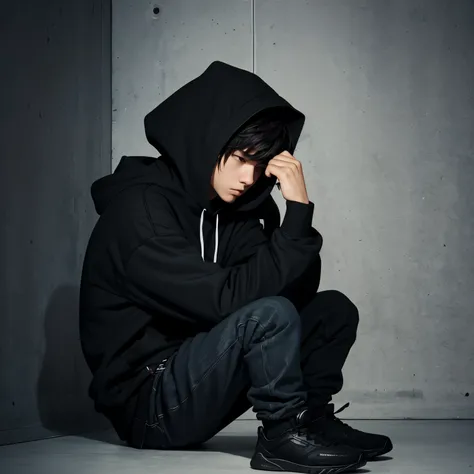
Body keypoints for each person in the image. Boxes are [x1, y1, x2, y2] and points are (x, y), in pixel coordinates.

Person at [79, 61, 392, 473]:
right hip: (149, 401)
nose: (249, 177)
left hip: (198, 372)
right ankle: (281, 437)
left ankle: (310, 422)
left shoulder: (235, 211)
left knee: (331, 310)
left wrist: (296, 213)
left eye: (261, 165)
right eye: (243, 158)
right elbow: (227, 303)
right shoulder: (139, 213)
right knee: (267, 315)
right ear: (208, 140)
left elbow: (291, 291)